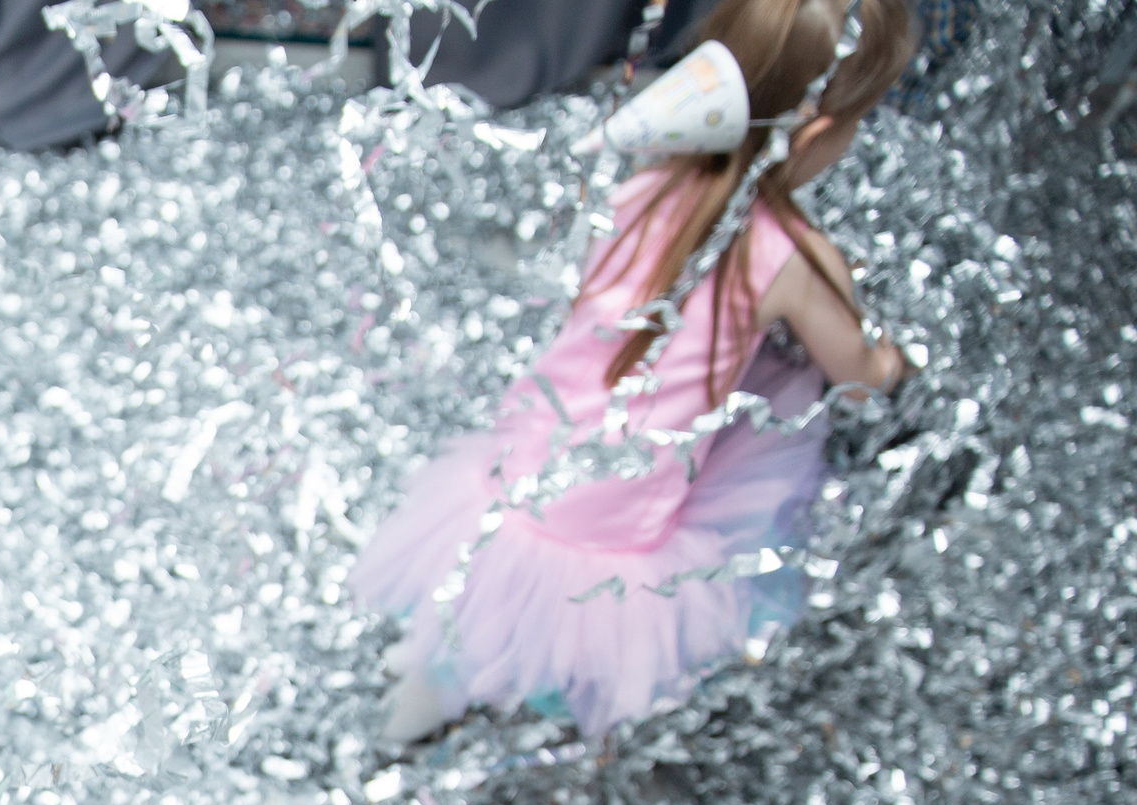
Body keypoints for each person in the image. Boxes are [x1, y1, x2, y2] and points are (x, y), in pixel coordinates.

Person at [353, 0, 917, 745]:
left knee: (476, 614)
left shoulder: (644, 185)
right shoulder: (788, 253)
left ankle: (425, 687)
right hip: (614, 533)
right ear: (816, 132)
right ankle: (524, 698)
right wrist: (894, 351)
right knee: (789, 392)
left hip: (521, 473)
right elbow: (865, 373)